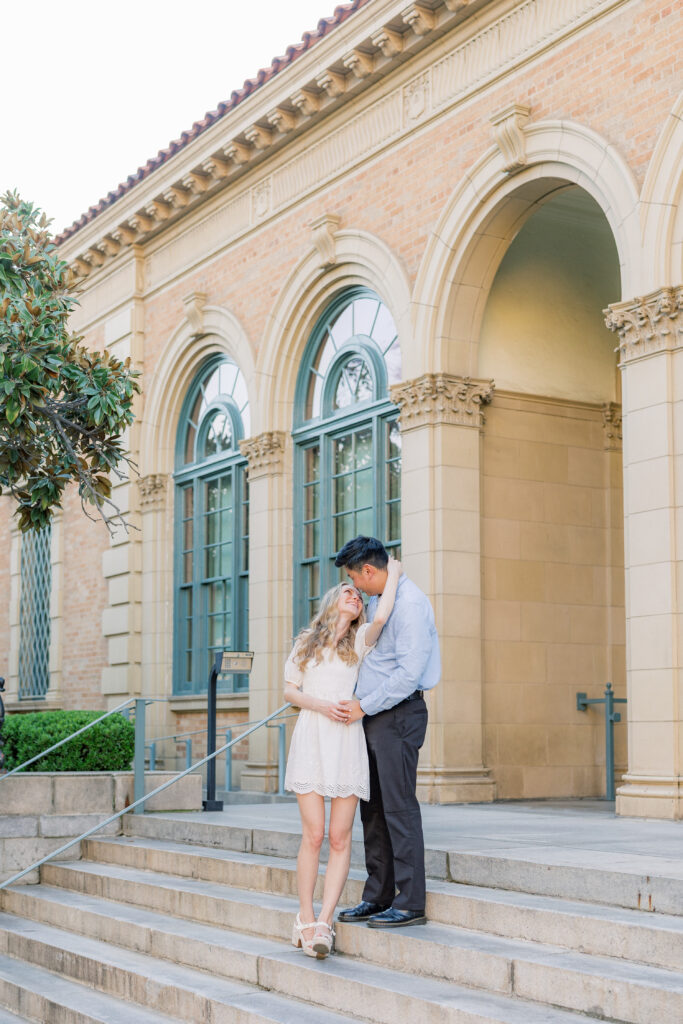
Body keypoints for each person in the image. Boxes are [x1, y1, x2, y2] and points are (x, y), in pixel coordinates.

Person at [283, 562, 402, 958]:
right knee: (313, 834)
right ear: (332, 602)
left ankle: (324, 922)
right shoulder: (306, 642)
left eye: (359, 595)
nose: (355, 596)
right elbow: (290, 691)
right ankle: (304, 916)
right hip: (313, 738)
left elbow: (381, 616)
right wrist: (321, 705)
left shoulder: (360, 644)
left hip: (347, 742)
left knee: (339, 837)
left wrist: (394, 572)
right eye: (348, 591)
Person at [334, 535, 440, 929]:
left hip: (398, 714)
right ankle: (377, 896)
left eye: (353, 577)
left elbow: (409, 673)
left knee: (398, 807)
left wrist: (364, 705)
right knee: (373, 810)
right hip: (373, 716)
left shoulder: (409, 605)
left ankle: (410, 902)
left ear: (367, 570)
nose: (354, 585)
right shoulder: (384, 599)